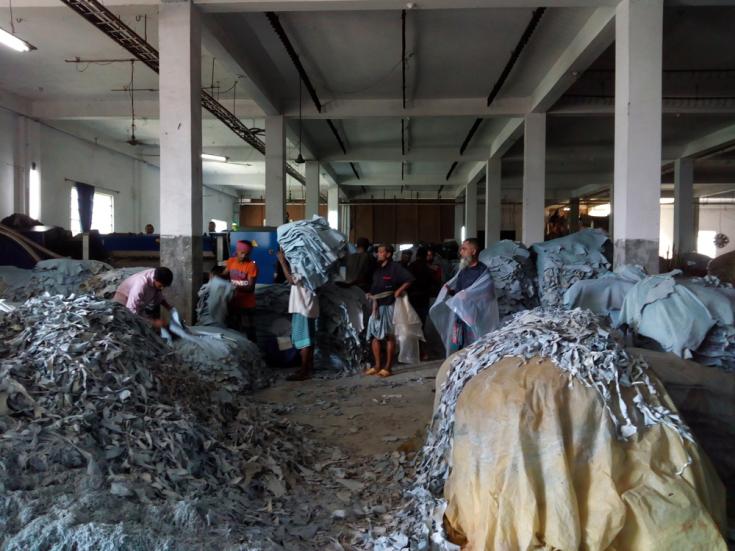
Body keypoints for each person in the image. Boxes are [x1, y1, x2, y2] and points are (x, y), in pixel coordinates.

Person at [365, 244, 414, 377]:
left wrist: (398, 290)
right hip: (376, 306)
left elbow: (409, 279)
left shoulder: (395, 268)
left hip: (389, 305)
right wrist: (370, 294)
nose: (378, 254)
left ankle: (388, 367)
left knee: (388, 336)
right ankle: (377, 365)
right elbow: (373, 284)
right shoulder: (376, 268)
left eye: (381, 252)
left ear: (388, 254)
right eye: (378, 252)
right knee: (374, 337)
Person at [277, 248, 319, 381]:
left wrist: (282, 262)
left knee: (303, 340)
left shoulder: (303, 264)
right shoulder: (314, 262)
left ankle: (304, 371)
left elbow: (291, 280)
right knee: (309, 339)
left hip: (302, 306)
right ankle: (309, 367)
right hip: (308, 305)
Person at [445, 238, 491, 352]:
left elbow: (488, 295)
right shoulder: (463, 270)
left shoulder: (482, 271)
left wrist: (469, 296)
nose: (461, 252)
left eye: (464, 249)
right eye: (461, 250)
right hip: (461, 315)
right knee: (460, 344)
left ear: (473, 251)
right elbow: (459, 292)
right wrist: (450, 292)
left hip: (476, 317)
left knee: (475, 346)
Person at [222, 240, 258, 342]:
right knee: (233, 328)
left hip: (247, 304)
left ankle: (254, 350)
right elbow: (223, 275)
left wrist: (233, 286)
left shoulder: (251, 265)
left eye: (246, 254)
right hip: (233, 301)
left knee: (248, 329)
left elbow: (251, 288)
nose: (243, 256)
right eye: (242, 253)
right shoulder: (231, 262)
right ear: (237, 251)